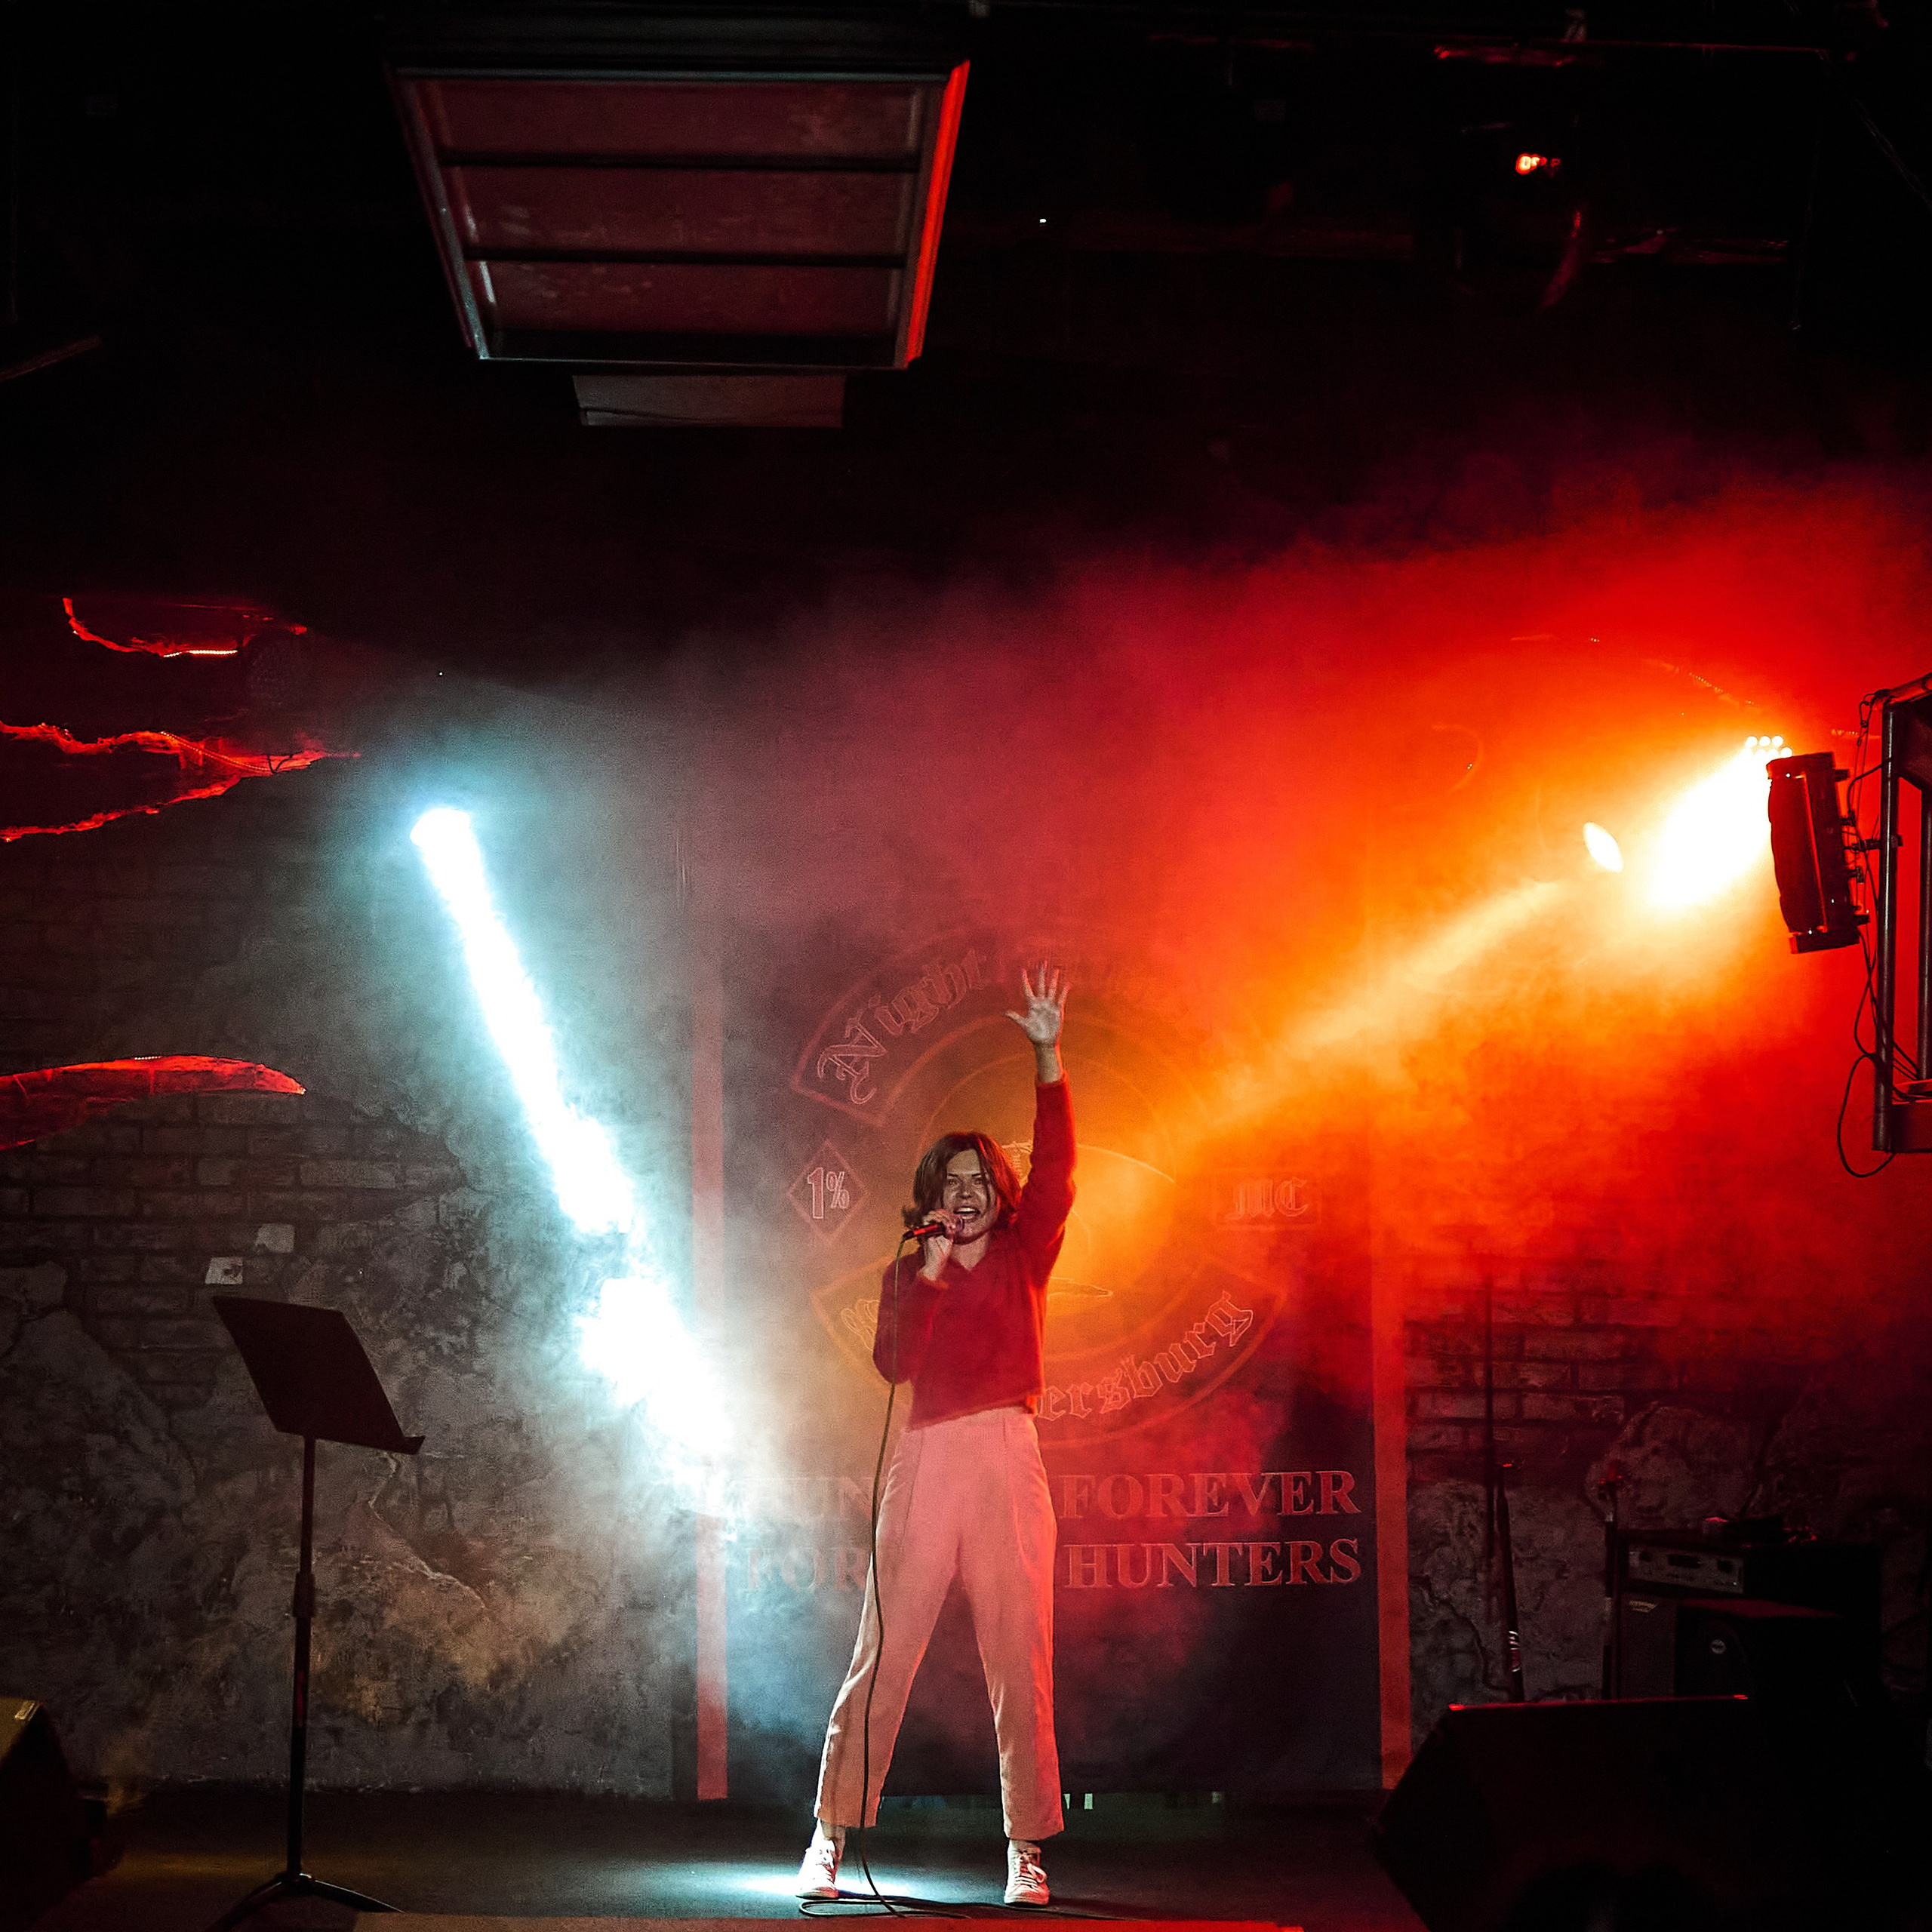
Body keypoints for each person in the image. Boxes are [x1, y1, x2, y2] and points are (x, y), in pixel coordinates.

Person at [798, 965, 1074, 1909]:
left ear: (1000, 1191)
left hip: (1005, 1450)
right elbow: (892, 1364)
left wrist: (1047, 1057)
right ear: (932, 1196)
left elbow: (1059, 1171)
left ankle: (1026, 1848)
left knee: (1019, 1655)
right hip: (925, 1456)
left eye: (978, 1180)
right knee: (883, 1649)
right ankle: (830, 1834)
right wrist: (928, 1272)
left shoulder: (1026, 1253)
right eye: (950, 1183)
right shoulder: (911, 1270)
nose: (965, 1193)